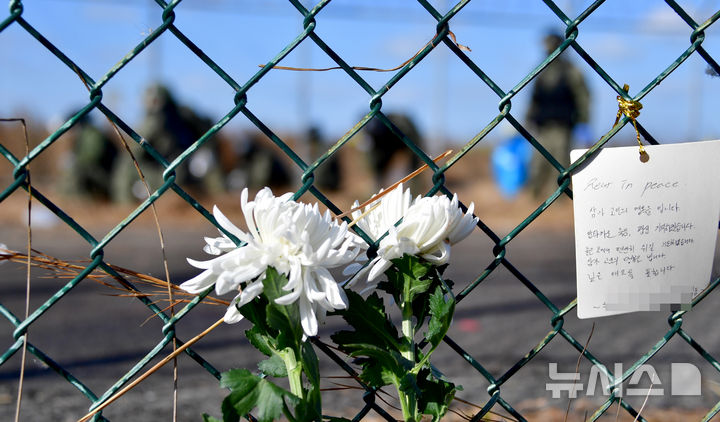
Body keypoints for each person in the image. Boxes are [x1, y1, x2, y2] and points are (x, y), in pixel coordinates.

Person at [526, 31, 590, 199]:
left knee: (561, 165)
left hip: (563, 126)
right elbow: (534, 99)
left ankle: (560, 200)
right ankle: (534, 198)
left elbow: (583, 96)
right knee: (537, 165)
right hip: (543, 127)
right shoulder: (542, 70)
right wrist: (528, 119)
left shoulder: (571, 71)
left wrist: (583, 121)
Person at [59, 112, 117, 201]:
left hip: (107, 175)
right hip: (102, 174)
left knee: (76, 169)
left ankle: (78, 201)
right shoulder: (84, 134)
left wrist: (75, 159)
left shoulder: (91, 133)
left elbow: (93, 155)